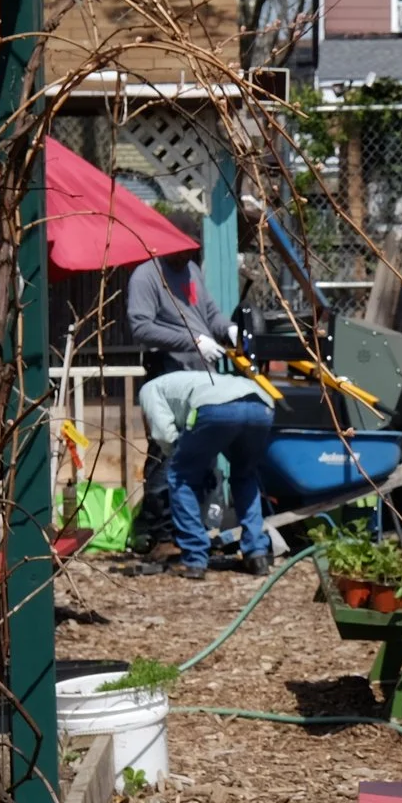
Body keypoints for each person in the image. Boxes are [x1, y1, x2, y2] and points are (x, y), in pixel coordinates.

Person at [123, 236, 229, 562]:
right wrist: (192, 341)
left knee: (201, 449)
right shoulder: (146, 276)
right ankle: (160, 535)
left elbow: (209, 315)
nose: (188, 255)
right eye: (183, 249)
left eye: (193, 249)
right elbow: (141, 326)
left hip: (199, 375)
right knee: (167, 449)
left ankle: (195, 530)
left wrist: (230, 330)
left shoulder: (192, 270)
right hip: (166, 373)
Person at [139, 365, 274, 580]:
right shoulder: (193, 379)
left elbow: (164, 435)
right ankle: (257, 554)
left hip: (216, 408)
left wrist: (179, 454)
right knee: (244, 475)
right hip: (261, 404)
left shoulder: (149, 389)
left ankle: (194, 558)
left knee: (180, 476)